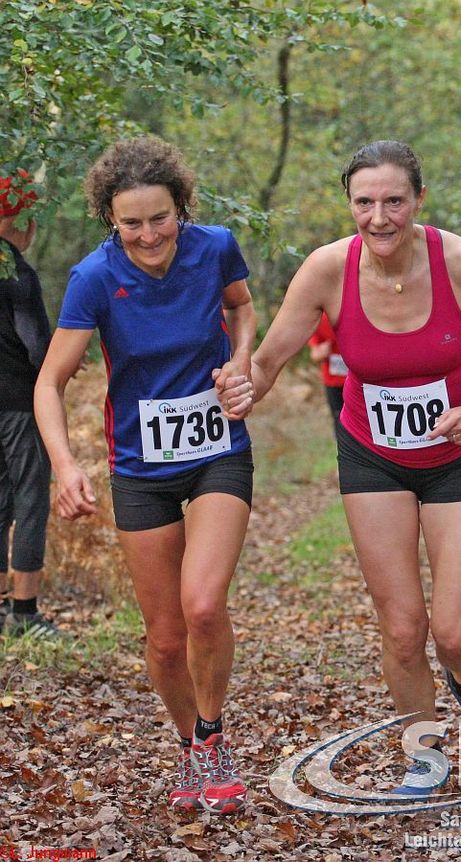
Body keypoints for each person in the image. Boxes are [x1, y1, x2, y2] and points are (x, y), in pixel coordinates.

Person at [216, 140, 461, 797]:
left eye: (394, 201)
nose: (378, 217)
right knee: (401, 629)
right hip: (372, 457)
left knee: (454, 634)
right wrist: (243, 386)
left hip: (456, 457)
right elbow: (270, 359)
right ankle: (425, 757)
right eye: (364, 202)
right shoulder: (326, 269)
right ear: (349, 203)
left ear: (418, 199)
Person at [34, 136, 256, 814]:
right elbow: (49, 382)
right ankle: (189, 745)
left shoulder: (214, 248)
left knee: (202, 605)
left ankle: (212, 738)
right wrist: (64, 465)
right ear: (110, 217)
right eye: (131, 222)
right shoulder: (94, 278)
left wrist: (240, 362)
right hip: (140, 465)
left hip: (217, 448)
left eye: (160, 218)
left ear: (180, 207)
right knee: (163, 638)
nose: (149, 234)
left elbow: (241, 308)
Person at [0, 170, 62, 640]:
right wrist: (64, 362)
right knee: (30, 499)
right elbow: (39, 348)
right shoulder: (17, 274)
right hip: (22, 405)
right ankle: (24, 613)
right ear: (21, 221)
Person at [308, 311, 348, 432]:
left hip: (356, 381)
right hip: (333, 382)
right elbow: (315, 354)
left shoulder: (355, 315)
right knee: (338, 417)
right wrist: (322, 350)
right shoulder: (321, 319)